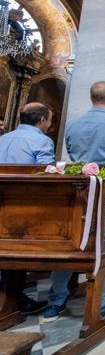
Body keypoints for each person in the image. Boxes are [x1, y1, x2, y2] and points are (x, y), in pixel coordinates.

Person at [44, 81, 105, 322]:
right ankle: (101, 301)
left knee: (72, 240)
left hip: (79, 189)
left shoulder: (73, 124)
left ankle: (56, 301)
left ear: (91, 98)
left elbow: (72, 155)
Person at [0, 102, 54, 315]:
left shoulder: (3, 138)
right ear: (41, 120)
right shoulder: (41, 141)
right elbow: (47, 177)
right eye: (49, 120)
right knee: (21, 251)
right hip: (25, 205)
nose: (50, 124)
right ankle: (14, 298)